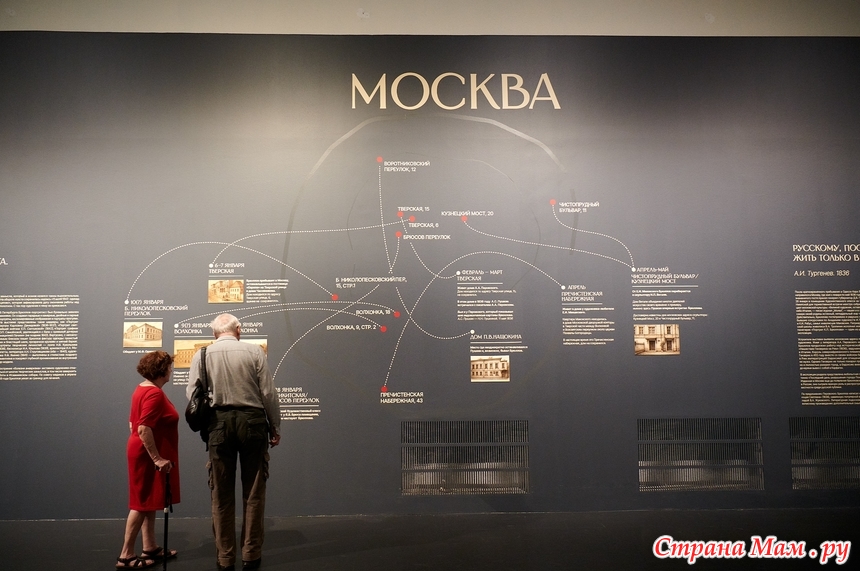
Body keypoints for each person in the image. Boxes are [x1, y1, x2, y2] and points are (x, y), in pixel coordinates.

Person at [187, 313, 281, 571]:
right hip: (253, 423)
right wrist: (275, 426)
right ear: (238, 329)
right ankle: (251, 554)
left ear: (214, 332)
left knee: (221, 493)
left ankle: (225, 557)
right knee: (254, 491)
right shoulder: (254, 352)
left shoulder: (202, 355)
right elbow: (267, 393)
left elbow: (192, 393)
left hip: (218, 424)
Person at [117, 350, 180, 569]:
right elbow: (143, 428)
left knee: (149, 500)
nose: (171, 370)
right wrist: (156, 458)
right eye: (169, 367)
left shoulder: (142, 389)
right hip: (146, 455)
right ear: (162, 370)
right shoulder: (154, 394)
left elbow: (132, 424)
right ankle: (126, 555)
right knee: (141, 503)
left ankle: (149, 546)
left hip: (140, 451)